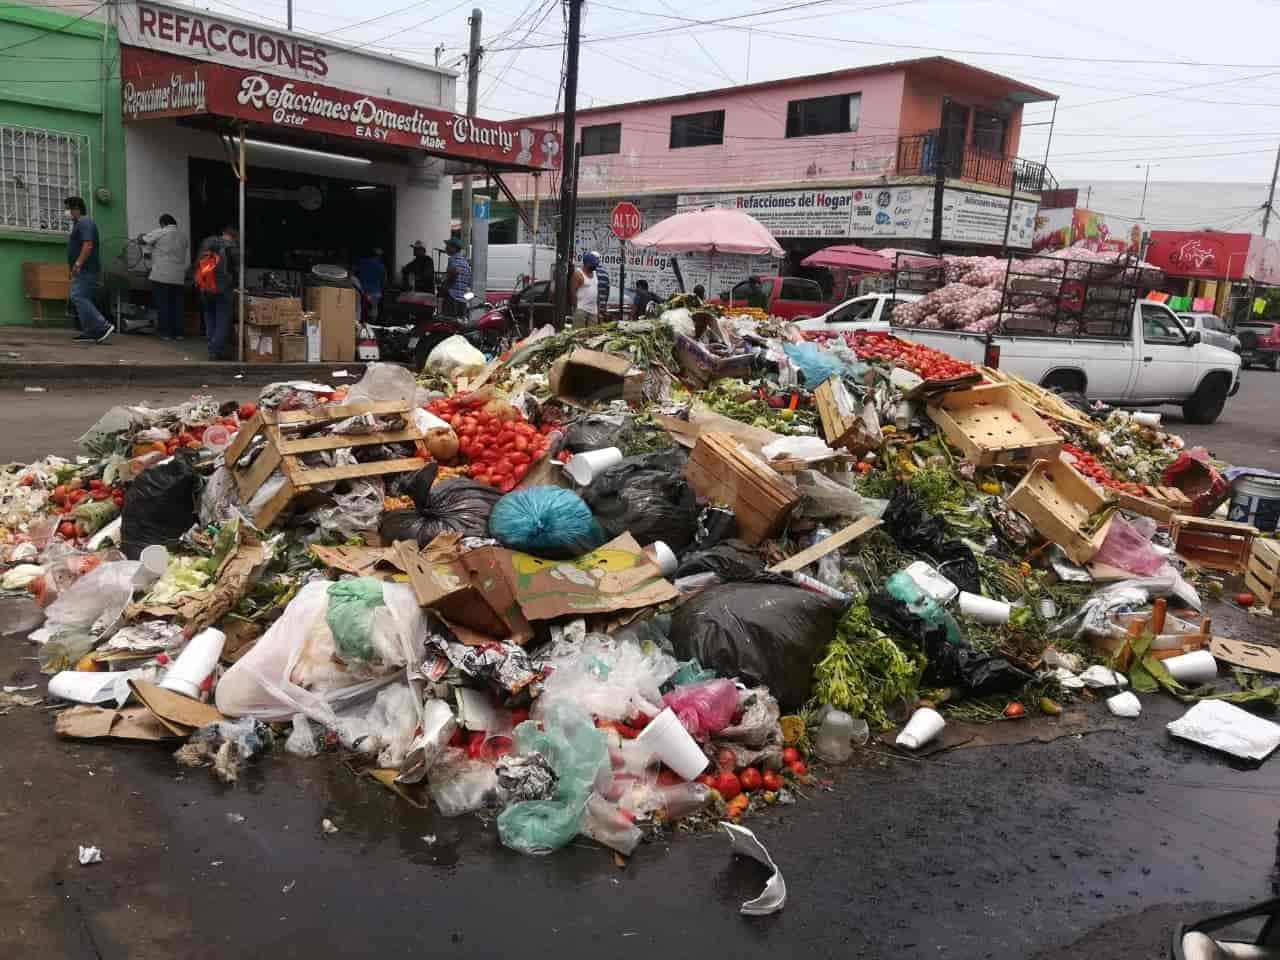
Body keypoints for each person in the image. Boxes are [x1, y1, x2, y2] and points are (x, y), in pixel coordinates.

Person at [64, 196, 112, 344]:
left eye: (68, 209)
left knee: (78, 296)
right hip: (83, 269)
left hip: (86, 269)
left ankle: (102, 326)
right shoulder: (80, 224)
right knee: (80, 297)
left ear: (76, 209)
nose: (66, 212)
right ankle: (91, 331)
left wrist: (78, 264)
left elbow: (88, 245)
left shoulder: (85, 222)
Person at [140, 214, 188, 340]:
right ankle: (179, 333)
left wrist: (141, 237)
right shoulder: (183, 236)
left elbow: (143, 240)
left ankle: (165, 333)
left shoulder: (161, 232)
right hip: (178, 276)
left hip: (161, 275)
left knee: (163, 304)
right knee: (177, 305)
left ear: (162, 223)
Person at [195, 225, 239, 360]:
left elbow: (197, 264)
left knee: (210, 317)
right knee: (222, 319)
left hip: (205, 287)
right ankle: (215, 351)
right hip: (223, 289)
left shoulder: (207, 243)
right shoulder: (232, 247)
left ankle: (211, 346)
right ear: (234, 236)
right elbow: (235, 270)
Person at [442, 236, 472, 317]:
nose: (446, 248)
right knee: (459, 325)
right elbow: (469, 280)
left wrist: (445, 286)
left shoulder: (453, 259)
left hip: (452, 297)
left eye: (448, 246)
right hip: (462, 300)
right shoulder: (465, 263)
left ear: (454, 248)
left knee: (448, 323)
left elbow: (455, 272)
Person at [356, 247, 387, 321]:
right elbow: (384, 281)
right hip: (375, 292)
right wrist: (382, 289)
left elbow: (355, 273)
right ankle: (372, 324)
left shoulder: (362, 262)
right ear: (379, 256)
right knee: (374, 308)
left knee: (360, 309)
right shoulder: (381, 267)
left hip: (362, 291)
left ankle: (361, 322)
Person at [570, 251, 600, 326]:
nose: (595, 266)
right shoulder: (578, 274)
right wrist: (576, 308)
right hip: (581, 309)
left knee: (593, 334)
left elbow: (596, 291)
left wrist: (598, 308)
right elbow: (572, 292)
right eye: (593, 264)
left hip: (593, 310)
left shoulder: (595, 273)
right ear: (587, 264)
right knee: (579, 334)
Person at [593, 251, 610, 317]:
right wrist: (605, 304)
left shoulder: (592, 272)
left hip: (591, 307)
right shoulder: (605, 273)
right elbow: (607, 291)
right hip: (602, 306)